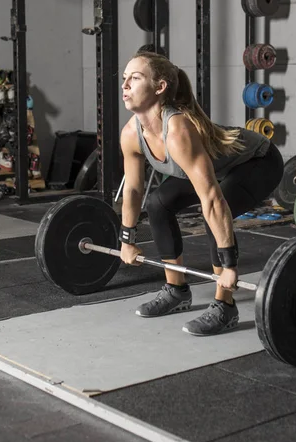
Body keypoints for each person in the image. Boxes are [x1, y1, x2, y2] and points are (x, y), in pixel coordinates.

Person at [119, 51, 284, 336]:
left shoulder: (178, 130)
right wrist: (127, 239)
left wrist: (230, 265)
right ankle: (176, 290)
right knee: (158, 203)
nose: (125, 86)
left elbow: (211, 199)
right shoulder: (131, 134)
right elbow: (133, 190)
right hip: (217, 168)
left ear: (160, 88)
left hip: (257, 162)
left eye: (135, 78)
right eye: (124, 78)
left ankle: (225, 306)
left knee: (214, 214)